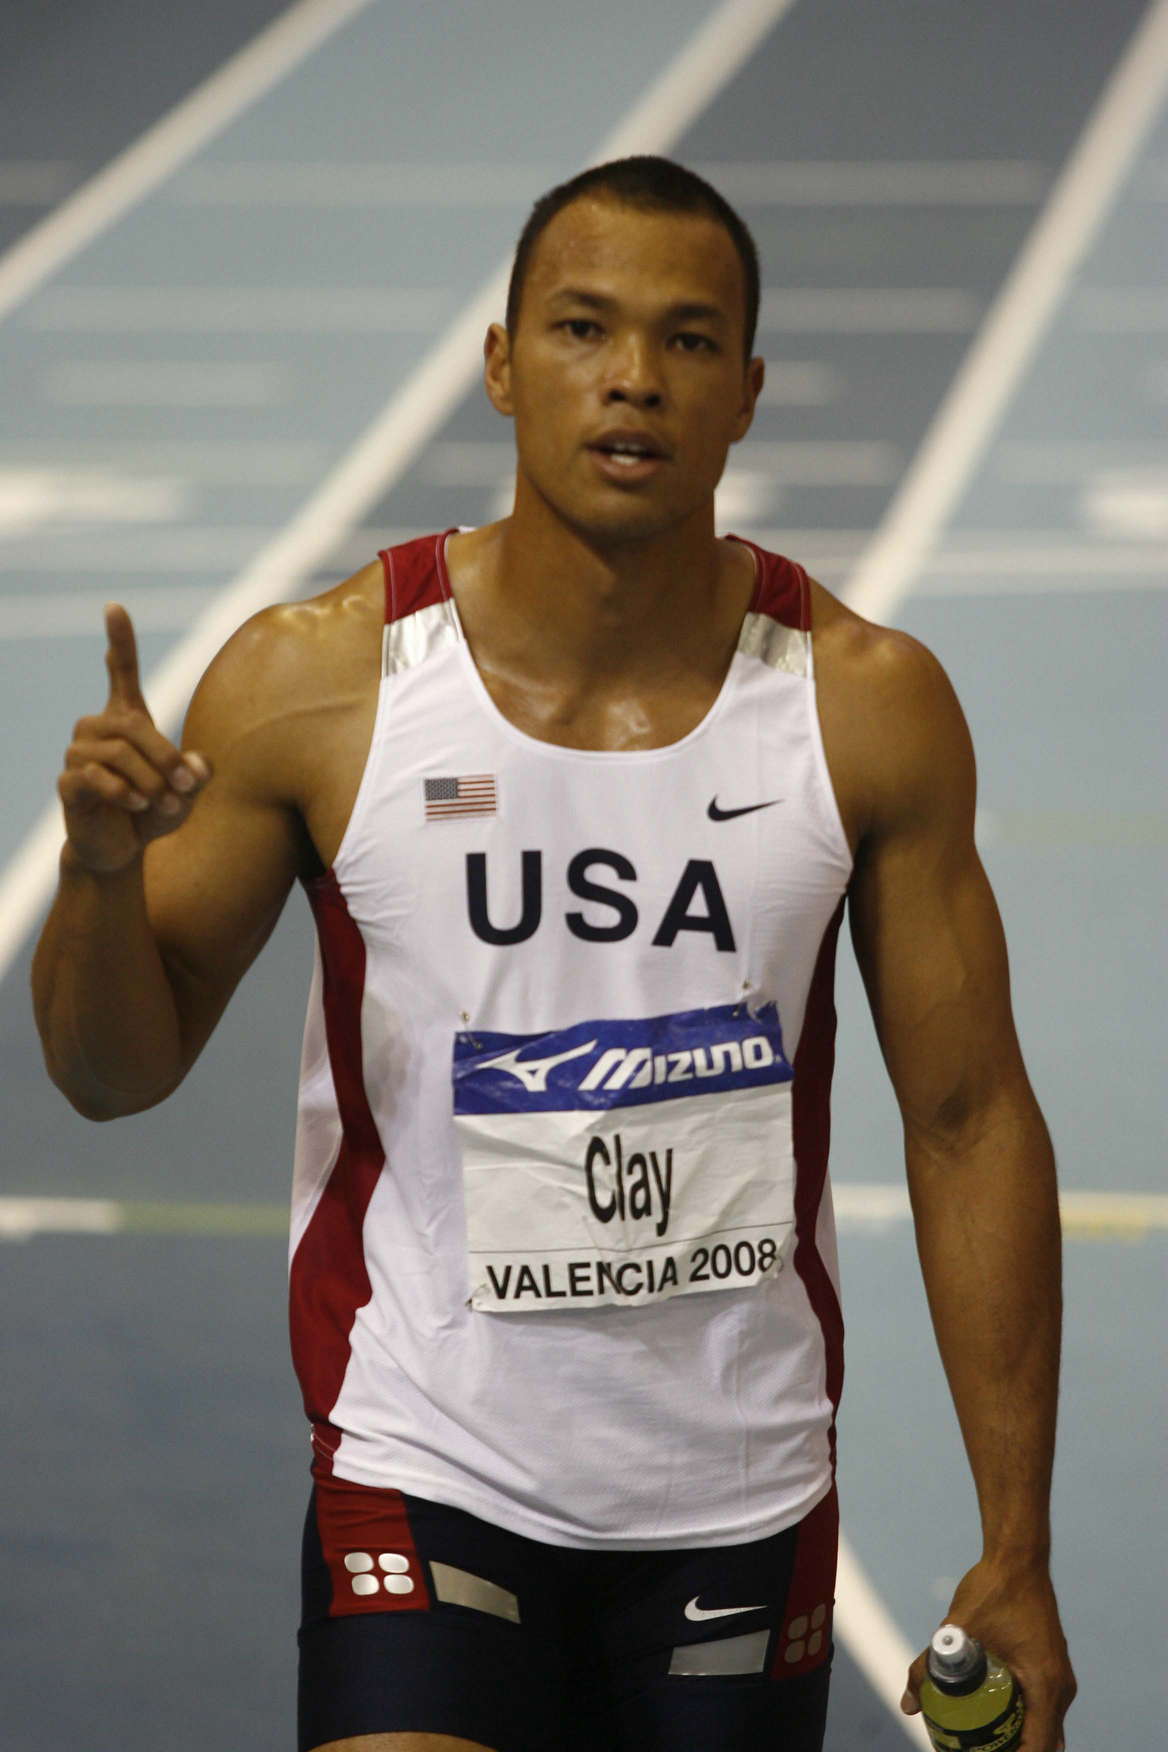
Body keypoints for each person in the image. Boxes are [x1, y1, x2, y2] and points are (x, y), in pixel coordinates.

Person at [32, 157, 1076, 1752]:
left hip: (739, 1484)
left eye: (688, 339)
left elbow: (969, 1119)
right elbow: (112, 1074)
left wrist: (1017, 1543)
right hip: (422, 1462)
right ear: (503, 364)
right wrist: (98, 882)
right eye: (584, 328)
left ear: (747, 393)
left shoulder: (864, 707)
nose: (633, 377)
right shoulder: (318, 686)